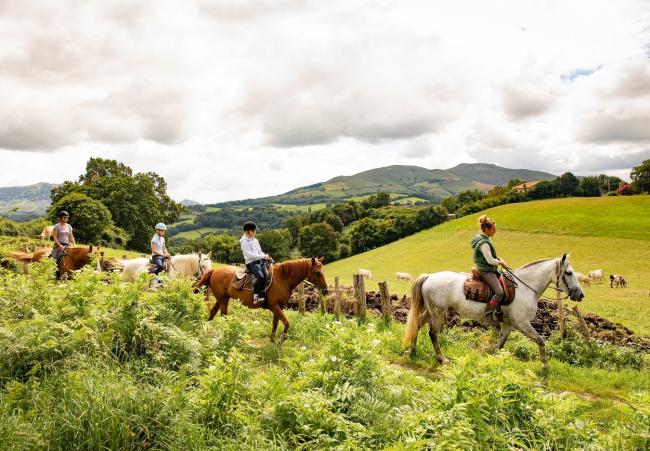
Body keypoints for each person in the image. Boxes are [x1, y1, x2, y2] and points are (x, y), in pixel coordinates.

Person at [470, 215, 508, 326]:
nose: (495, 232)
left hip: (489, 269)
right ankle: (487, 315)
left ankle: (500, 311)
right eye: (493, 230)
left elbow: (491, 258)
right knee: (499, 292)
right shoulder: (484, 243)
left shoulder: (485, 239)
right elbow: (490, 260)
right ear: (486, 229)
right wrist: (500, 262)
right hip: (485, 271)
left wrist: (498, 259)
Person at [240, 221, 271, 305]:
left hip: (260, 262)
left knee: (267, 275)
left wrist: (266, 256)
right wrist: (262, 257)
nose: (254, 232)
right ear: (247, 231)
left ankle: (262, 294)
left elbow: (259, 251)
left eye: (255, 230)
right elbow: (249, 255)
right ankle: (255, 297)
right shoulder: (244, 242)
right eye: (253, 230)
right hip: (251, 263)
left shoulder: (255, 240)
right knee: (260, 277)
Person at [51, 210, 76, 277]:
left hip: (67, 245)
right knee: (55, 258)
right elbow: (55, 237)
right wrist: (60, 245)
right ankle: (54, 273)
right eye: (64, 217)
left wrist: (74, 245)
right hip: (58, 245)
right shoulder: (57, 226)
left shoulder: (69, 226)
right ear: (61, 218)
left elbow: (71, 236)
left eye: (67, 217)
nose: (66, 219)